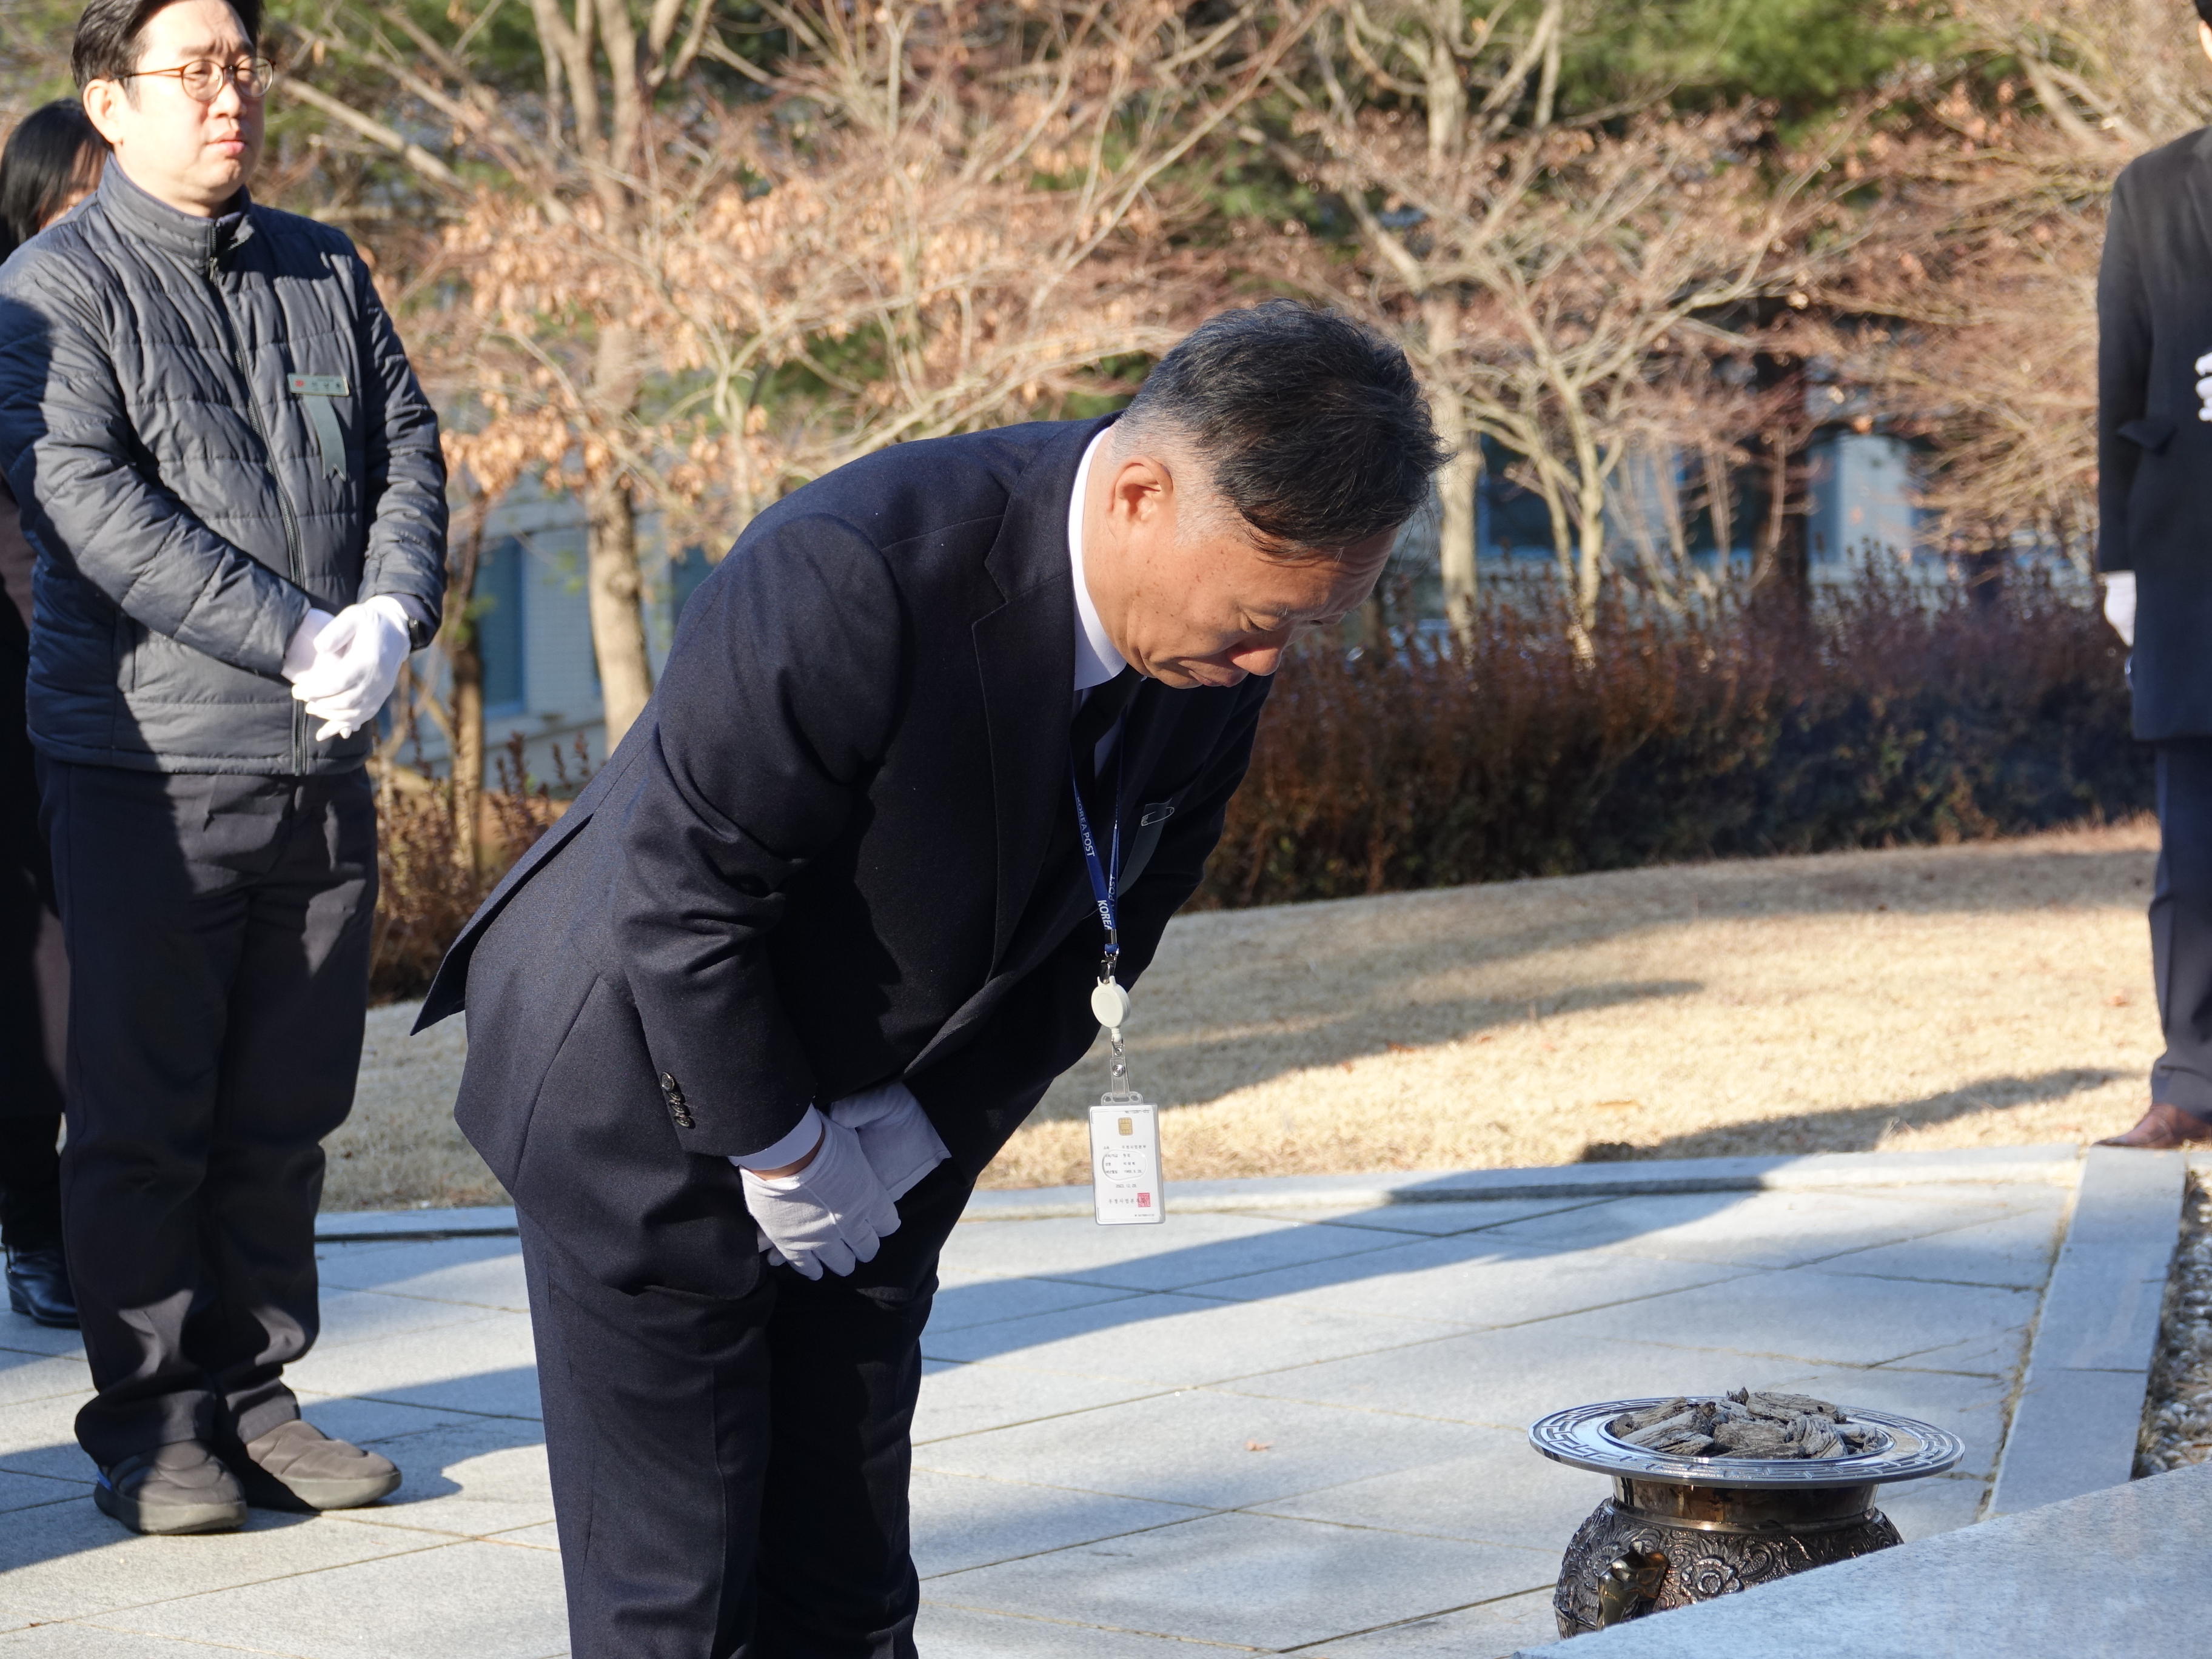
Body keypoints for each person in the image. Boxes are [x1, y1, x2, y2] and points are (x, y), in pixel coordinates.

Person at [417, 300, 1448, 1657]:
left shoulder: (1211, 652)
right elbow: (685, 901)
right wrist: (785, 1154)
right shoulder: (859, 566)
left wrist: (915, 1132)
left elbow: (1110, 930)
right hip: (641, 1074)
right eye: (1260, 617)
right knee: (679, 1591)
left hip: (884, 1110)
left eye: (1300, 627)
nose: (1267, 662)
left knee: (847, 1580)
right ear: (1143, 493)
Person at [0, 0, 447, 1535]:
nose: (228, 94)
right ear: (108, 104)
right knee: (142, 1111)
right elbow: (88, 501)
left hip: (321, 765)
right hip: (150, 769)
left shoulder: (325, 263)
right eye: (192, 70)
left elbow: (409, 447)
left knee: (285, 1106)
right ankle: (154, 1425)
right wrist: (295, 635)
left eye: (243, 64)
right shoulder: (49, 287)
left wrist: (392, 613)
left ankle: (261, 1399)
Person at [2096, 0, 2212, 1150]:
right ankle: (2191, 1081)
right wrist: (2117, 558)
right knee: (2196, 837)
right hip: (2188, 550)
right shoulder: (2152, 190)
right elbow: (2120, 388)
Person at [0, 99, 106, 1331]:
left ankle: (104, 1216)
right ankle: (36, 1219)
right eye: (73, 202)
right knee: (35, 973)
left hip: (141, 696)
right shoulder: (15, 327)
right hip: (23, 692)